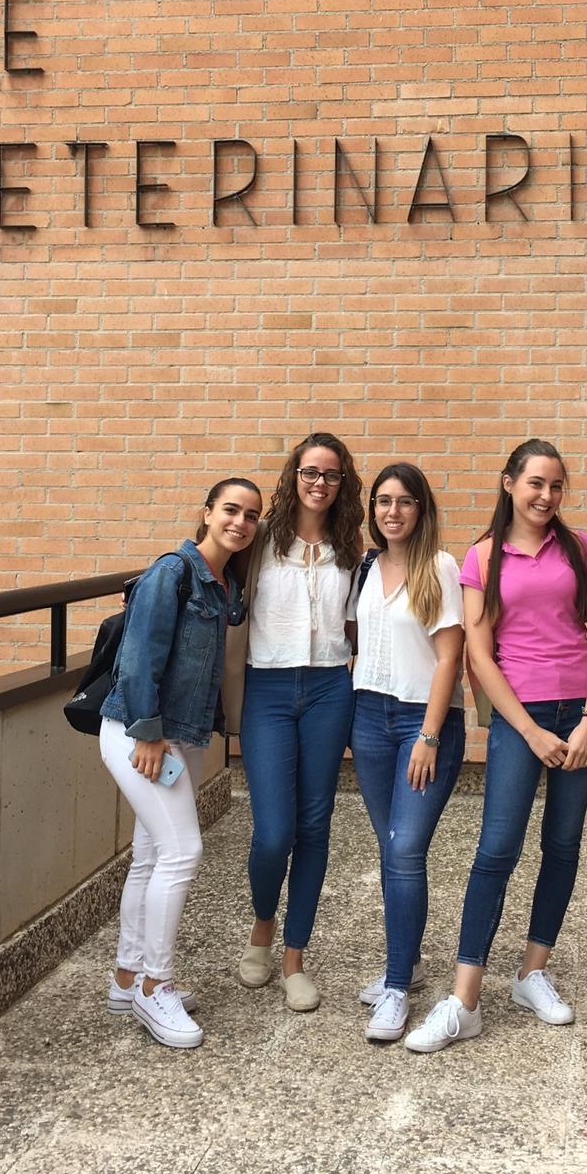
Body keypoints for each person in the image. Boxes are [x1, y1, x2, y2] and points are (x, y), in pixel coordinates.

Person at [405, 438, 587, 1053]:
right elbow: (478, 650)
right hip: (519, 720)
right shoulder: (483, 557)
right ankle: (464, 998)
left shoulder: (580, 550)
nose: (546, 496)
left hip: (579, 714)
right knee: (497, 849)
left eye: (556, 486)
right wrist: (527, 729)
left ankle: (532, 972)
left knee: (563, 844)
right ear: (509, 484)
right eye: (535, 485)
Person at [100, 477, 261, 1048]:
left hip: (181, 738)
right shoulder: (173, 572)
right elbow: (140, 655)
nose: (239, 522)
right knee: (182, 851)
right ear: (207, 513)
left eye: (250, 515)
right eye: (230, 511)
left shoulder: (222, 584)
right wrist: (147, 731)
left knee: (149, 854)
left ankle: (127, 976)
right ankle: (155, 984)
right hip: (139, 732)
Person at [225, 432, 364, 1012]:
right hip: (269, 688)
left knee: (314, 826)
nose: (319, 483)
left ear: (343, 484)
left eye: (331, 475)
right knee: (273, 829)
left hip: (331, 687)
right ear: (293, 477)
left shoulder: (353, 552)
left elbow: (364, 627)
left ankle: (294, 957)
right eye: (310, 472)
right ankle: (261, 927)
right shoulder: (259, 544)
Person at [348, 463, 466, 1043]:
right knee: (390, 846)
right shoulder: (367, 567)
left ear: (422, 509)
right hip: (367, 717)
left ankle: (396, 987)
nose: (392, 511)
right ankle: (410, 961)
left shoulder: (439, 567)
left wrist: (428, 734)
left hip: (421, 723)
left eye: (405, 502)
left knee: (404, 851)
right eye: (383, 501)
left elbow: (449, 658)